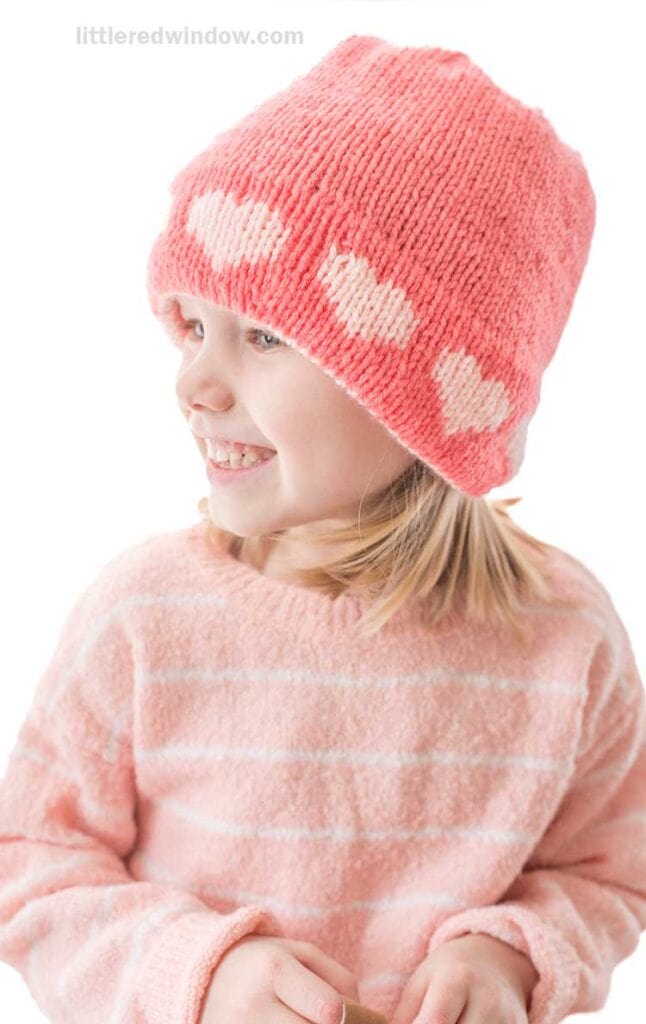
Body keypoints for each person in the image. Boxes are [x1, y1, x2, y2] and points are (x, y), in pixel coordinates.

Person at [0, 33, 644, 1024]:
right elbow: (32, 868)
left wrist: (510, 950)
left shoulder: (563, 642)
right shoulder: (145, 615)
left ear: (424, 398)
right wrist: (199, 973)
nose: (194, 383)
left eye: (263, 336)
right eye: (193, 325)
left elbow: (611, 876)